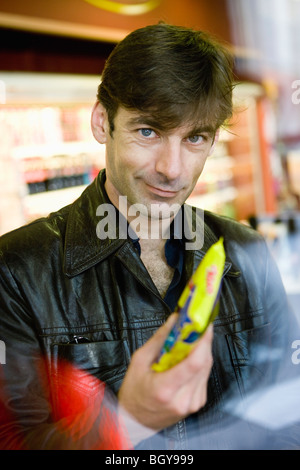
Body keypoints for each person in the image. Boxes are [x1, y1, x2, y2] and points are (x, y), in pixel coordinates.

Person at [0, 23, 299, 450]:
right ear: (103, 121)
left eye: (194, 138)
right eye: (148, 132)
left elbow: (290, 410)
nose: (172, 169)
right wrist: (129, 421)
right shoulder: (15, 271)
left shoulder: (246, 250)